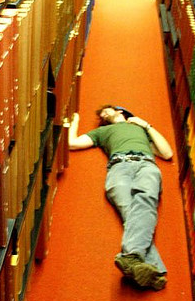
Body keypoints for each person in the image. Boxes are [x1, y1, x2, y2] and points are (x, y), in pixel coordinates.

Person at [68, 105, 173, 291]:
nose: (104, 114)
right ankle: (146, 267)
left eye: (108, 110)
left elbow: (167, 153)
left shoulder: (139, 129)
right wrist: (73, 121)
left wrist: (146, 126)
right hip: (119, 167)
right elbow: (72, 143)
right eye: (102, 114)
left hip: (146, 164)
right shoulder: (102, 132)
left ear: (121, 111)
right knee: (132, 213)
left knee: (146, 201)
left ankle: (138, 262)